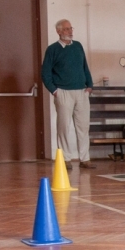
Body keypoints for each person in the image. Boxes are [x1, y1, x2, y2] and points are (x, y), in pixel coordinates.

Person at [41, 19, 94, 169]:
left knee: (83, 126)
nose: (70, 31)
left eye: (71, 28)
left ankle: (85, 158)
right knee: (64, 126)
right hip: (63, 92)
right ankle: (65, 158)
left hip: (81, 91)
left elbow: (84, 67)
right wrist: (54, 91)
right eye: (66, 29)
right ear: (58, 31)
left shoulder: (78, 46)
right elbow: (45, 73)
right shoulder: (52, 49)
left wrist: (90, 85)